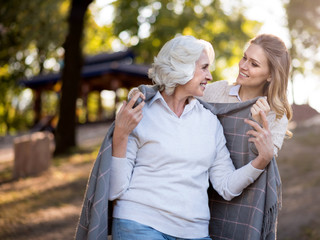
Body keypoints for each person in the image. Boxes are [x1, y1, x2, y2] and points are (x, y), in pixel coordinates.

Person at [108, 35, 274, 239]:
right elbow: (115, 190)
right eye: (204, 67)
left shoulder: (210, 122)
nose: (210, 76)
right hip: (138, 223)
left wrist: (261, 160)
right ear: (182, 67)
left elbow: (226, 187)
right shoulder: (140, 112)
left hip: (194, 232)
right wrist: (121, 135)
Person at [199, 33, 293, 157]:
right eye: (244, 58)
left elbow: (263, 163)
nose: (243, 66)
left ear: (270, 75)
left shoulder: (276, 116)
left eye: (254, 64)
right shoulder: (217, 91)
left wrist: (258, 125)